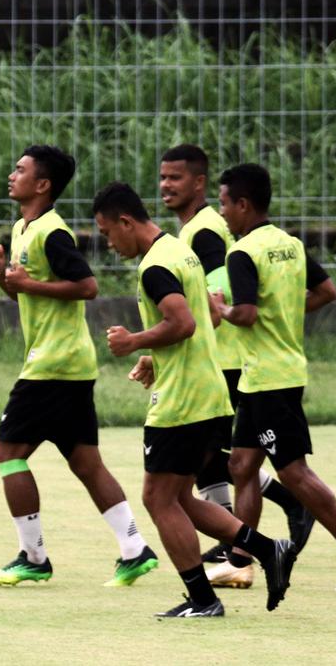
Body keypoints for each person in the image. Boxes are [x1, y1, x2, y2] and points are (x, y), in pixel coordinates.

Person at [93, 181, 297, 616]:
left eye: (108, 233)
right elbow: (211, 313)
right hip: (210, 394)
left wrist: (135, 341)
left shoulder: (154, 267)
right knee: (181, 498)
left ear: (126, 222)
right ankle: (268, 549)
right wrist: (155, 353)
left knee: (158, 499)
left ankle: (203, 600)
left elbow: (184, 323)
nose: (109, 244)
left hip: (182, 402)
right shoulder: (179, 250)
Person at [0, 146, 158, 588]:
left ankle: (33, 557)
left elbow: (87, 286)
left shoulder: (52, 233)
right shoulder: (23, 228)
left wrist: (27, 282)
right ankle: (134, 549)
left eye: (20, 170)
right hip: (69, 363)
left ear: (42, 185)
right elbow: (30, 295)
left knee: (7, 455)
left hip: (53, 365)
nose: (11, 174)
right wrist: (5, 281)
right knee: (86, 463)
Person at [210, 163, 336, 592]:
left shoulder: (242, 253)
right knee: (242, 465)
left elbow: (245, 314)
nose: (222, 211)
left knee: (293, 472)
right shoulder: (289, 245)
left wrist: (221, 310)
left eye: (225, 202)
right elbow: (327, 292)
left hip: (269, 379)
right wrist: (283, 314)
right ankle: (239, 560)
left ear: (243, 204)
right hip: (264, 376)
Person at [158, 144, 313, 587]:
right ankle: (245, 537)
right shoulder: (204, 228)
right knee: (218, 457)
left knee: (207, 456)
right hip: (224, 356)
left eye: (176, 178)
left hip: (223, 357)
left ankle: (273, 517)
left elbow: (213, 298)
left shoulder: (206, 232)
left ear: (200, 183)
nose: (166, 185)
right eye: (163, 177)